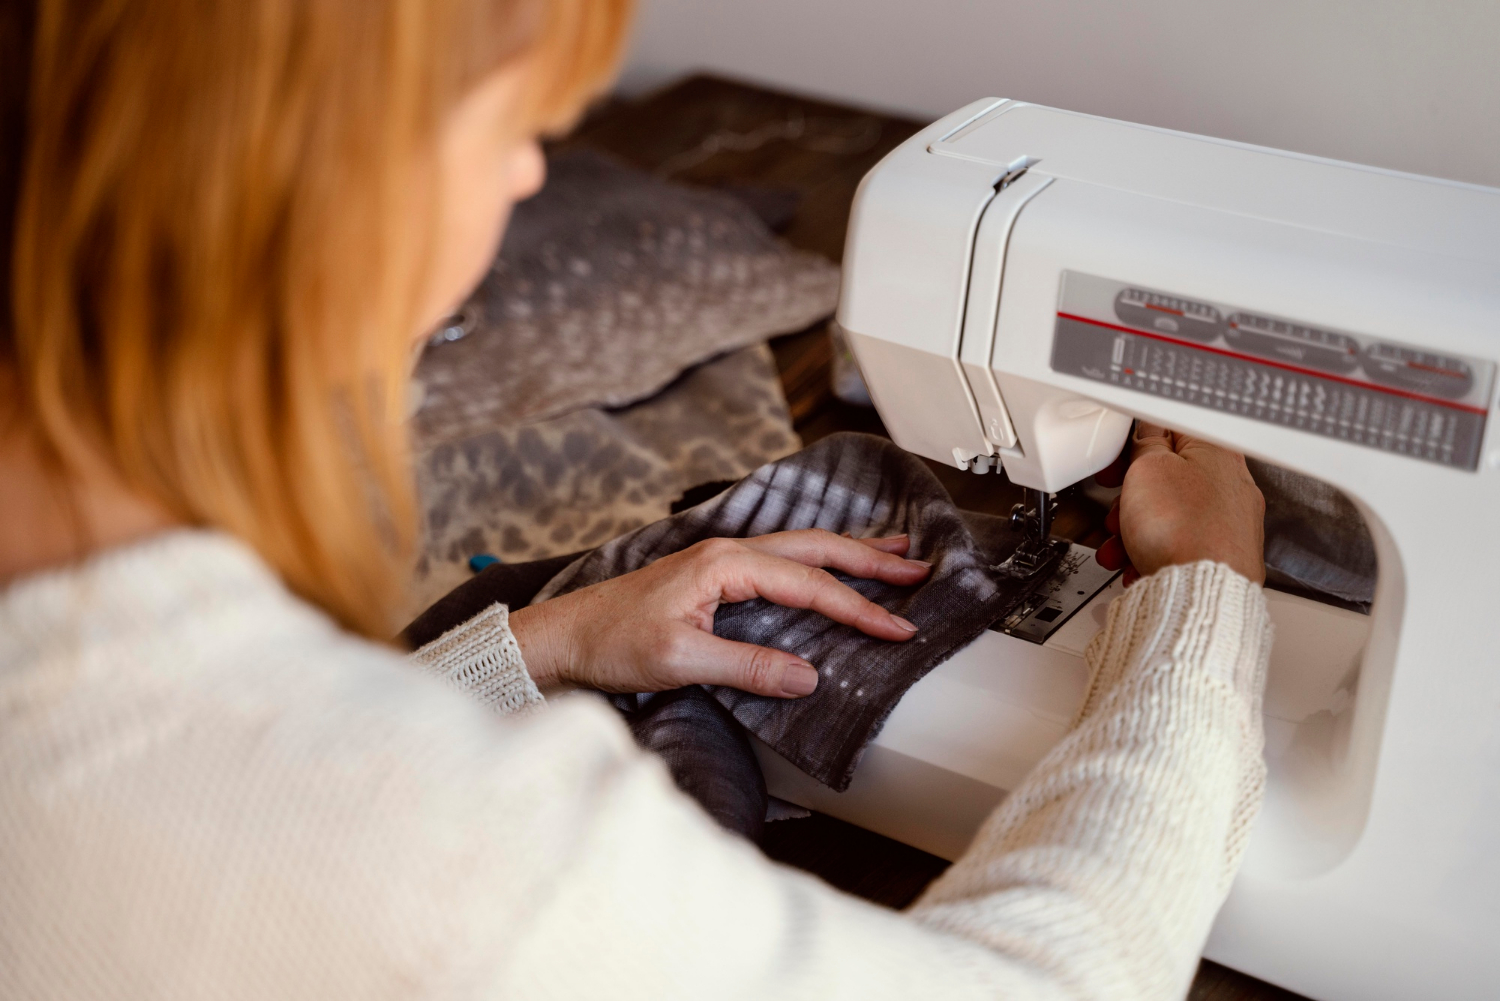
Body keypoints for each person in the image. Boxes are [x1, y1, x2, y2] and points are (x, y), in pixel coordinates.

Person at [0, 1, 1269, 998]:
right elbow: (1054, 981)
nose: (522, 183)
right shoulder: (454, 858)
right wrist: (1206, 594)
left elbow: (194, 786)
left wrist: (540, 643)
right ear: (302, 172)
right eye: (513, 129)